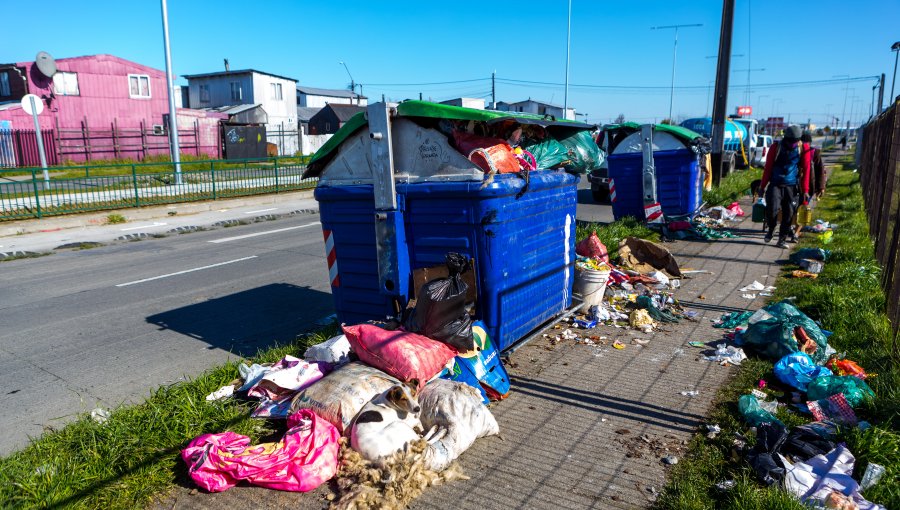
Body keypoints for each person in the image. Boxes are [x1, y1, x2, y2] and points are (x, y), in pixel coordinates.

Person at [759, 125, 811, 248]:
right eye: (790, 140)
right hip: (775, 184)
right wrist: (762, 186)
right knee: (772, 210)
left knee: (789, 213)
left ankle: (782, 239)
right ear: (785, 138)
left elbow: (806, 170)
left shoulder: (803, 148)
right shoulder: (775, 148)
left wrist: (805, 190)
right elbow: (768, 168)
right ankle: (771, 229)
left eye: (796, 140)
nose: (792, 143)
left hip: (791, 186)